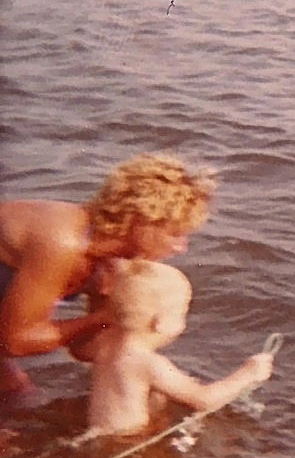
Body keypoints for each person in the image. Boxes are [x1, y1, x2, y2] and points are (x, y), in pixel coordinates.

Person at [0, 153, 216, 397]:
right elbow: (15, 341)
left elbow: (84, 350)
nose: (182, 247)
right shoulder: (63, 242)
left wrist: (142, 348)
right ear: (142, 221)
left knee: (19, 394)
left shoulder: (107, 261)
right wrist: (102, 317)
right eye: (176, 233)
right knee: (14, 405)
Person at [81, 259, 274, 439]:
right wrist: (248, 373)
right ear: (162, 323)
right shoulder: (148, 363)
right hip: (128, 441)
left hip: (97, 434)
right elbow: (203, 400)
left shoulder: (104, 343)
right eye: (181, 313)